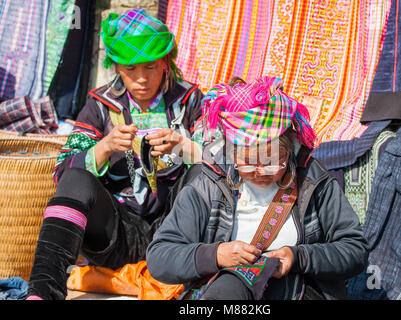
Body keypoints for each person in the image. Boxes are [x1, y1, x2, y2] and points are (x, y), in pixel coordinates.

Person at [26, 8, 204, 300]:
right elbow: (61, 171)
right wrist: (104, 147)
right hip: (117, 236)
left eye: (150, 67)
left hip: (176, 236)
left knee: (202, 172)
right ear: (117, 67)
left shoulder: (190, 100)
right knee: (75, 177)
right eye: (130, 69)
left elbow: (226, 162)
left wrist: (184, 147)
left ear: (165, 62)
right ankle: (43, 292)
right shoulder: (99, 104)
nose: (141, 79)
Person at [147, 76, 369, 300]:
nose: (260, 172)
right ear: (232, 154)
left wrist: (299, 257)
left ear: (289, 150)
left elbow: (355, 250)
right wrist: (215, 255)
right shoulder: (208, 183)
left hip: (298, 292)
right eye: (248, 162)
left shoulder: (313, 179)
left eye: (273, 162)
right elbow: (159, 257)